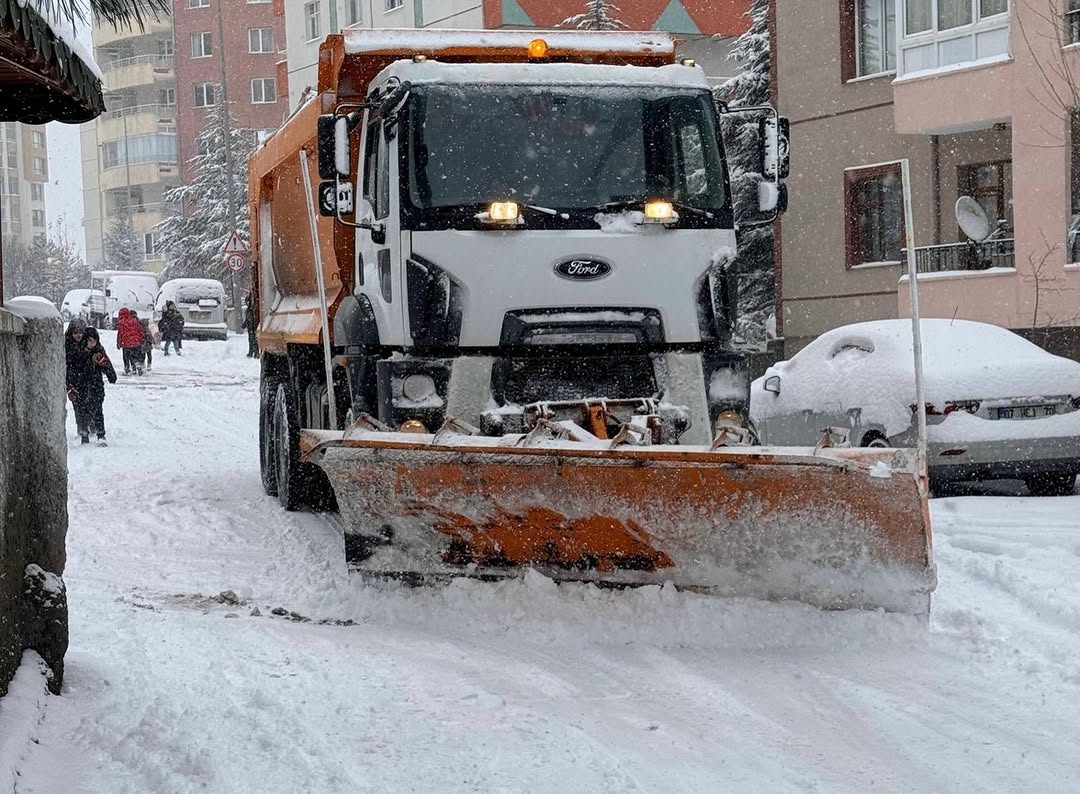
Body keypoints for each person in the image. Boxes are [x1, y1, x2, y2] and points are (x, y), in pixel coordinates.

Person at [65, 318, 117, 445]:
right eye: (75, 333)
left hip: (95, 386)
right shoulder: (71, 348)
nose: (78, 335)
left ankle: (98, 432)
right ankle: (83, 432)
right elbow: (70, 367)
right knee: (80, 410)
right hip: (79, 385)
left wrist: (105, 368)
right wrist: (69, 385)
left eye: (80, 333)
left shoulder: (96, 349)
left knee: (96, 409)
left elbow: (107, 366)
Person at [115, 307, 146, 375]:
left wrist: (118, 342)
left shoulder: (121, 322)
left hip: (126, 343)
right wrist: (141, 339)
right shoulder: (134, 321)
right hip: (136, 342)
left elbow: (120, 334)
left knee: (126, 357)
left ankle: (127, 369)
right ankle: (136, 366)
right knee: (134, 356)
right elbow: (140, 331)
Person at [241, 294, 258, 358]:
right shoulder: (248, 310)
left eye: (248, 301)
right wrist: (244, 325)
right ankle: (251, 352)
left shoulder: (253, 309)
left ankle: (256, 353)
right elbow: (247, 319)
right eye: (246, 302)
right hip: (250, 327)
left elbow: (253, 318)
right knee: (250, 340)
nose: (247, 303)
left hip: (253, 327)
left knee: (254, 340)